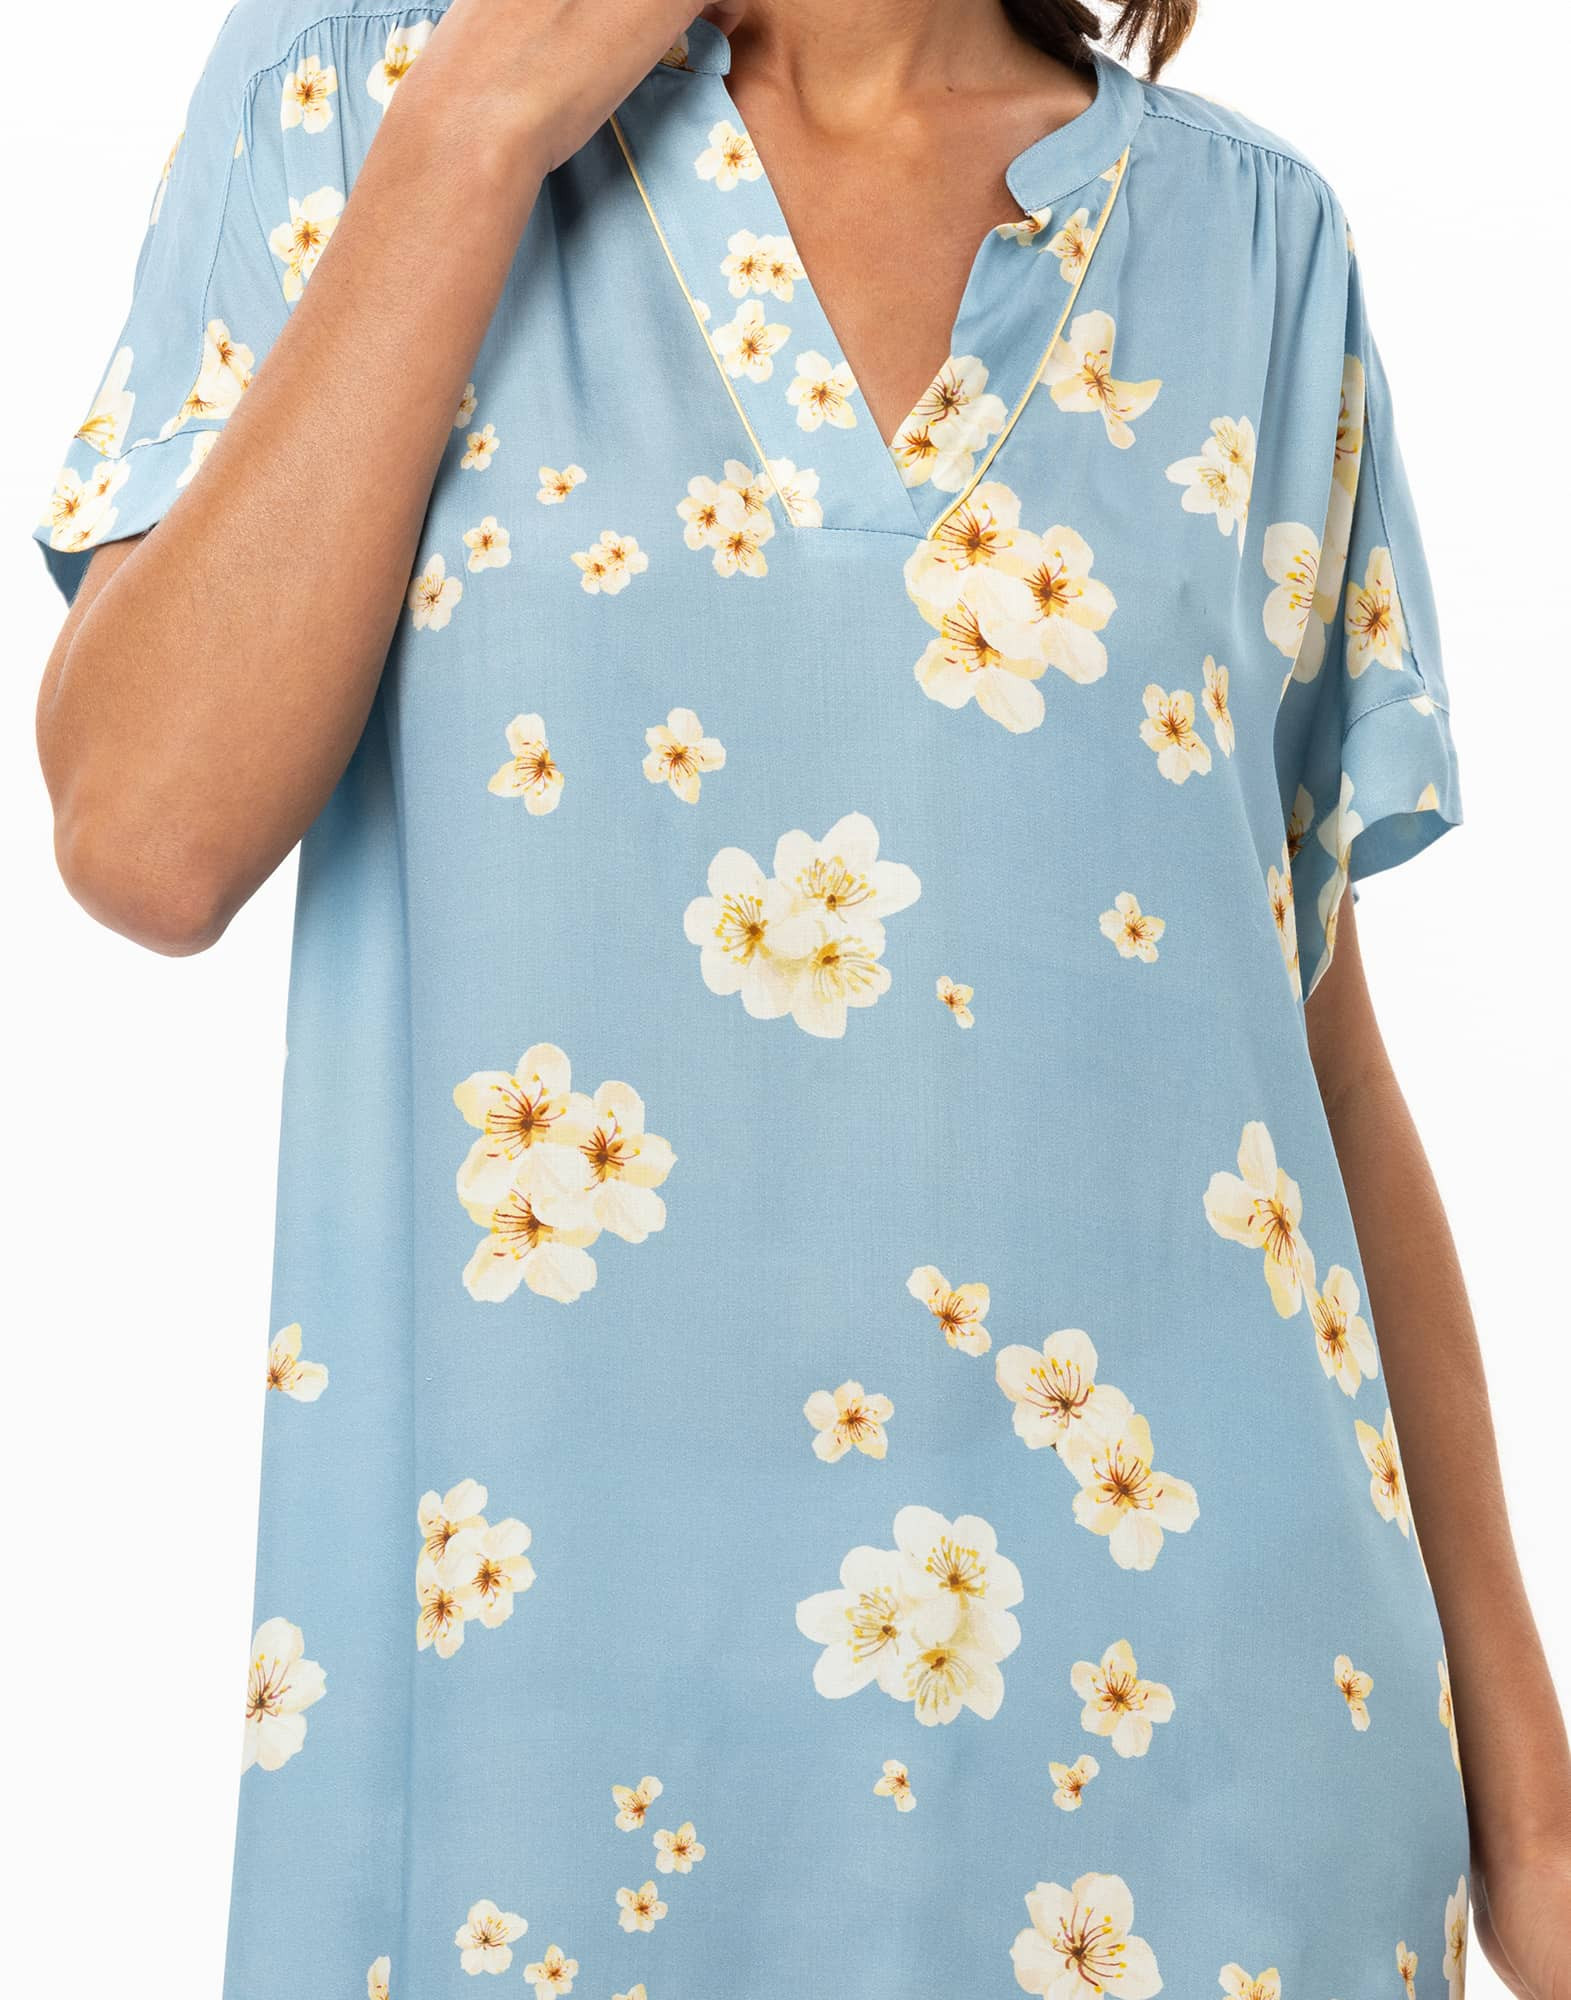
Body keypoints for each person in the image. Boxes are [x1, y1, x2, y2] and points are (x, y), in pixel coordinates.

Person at [32, 0, 1571, 1993]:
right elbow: (147, 835)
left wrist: (1532, 1808)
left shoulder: (1257, 246)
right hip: (551, 1797)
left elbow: (1306, 1057)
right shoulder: (359, 94)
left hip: (1208, 1776)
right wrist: (480, 125)